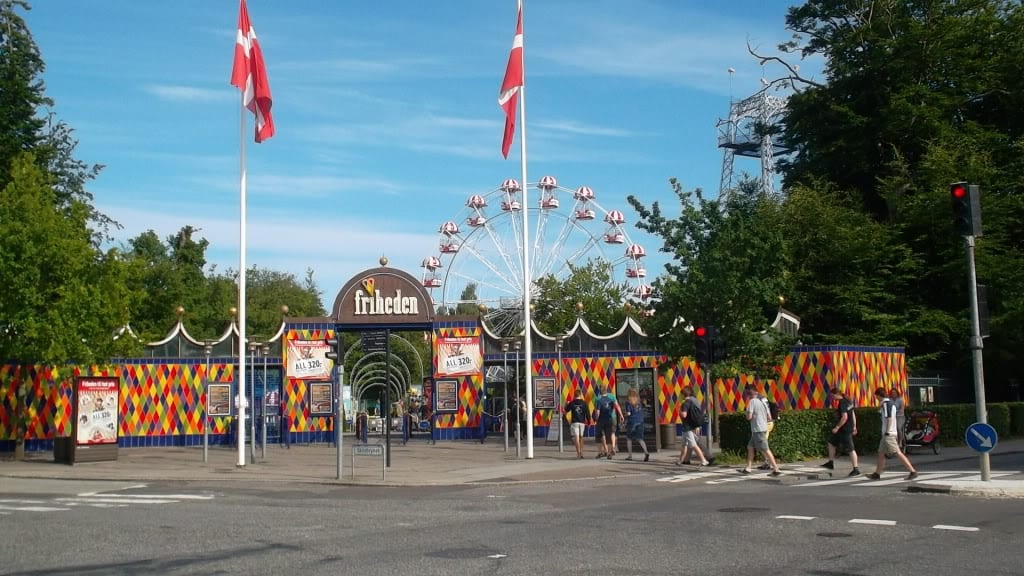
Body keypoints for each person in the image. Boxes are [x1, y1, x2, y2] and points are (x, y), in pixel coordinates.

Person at [868, 387, 918, 480]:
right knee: (881, 453)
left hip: (888, 434)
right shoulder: (891, 404)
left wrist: (887, 431)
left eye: (876, 396)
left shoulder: (886, 404)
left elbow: (889, 418)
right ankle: (877, 473)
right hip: (889, 433)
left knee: (897, 453)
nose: (876, 398)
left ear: (879, 395)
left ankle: (912, 471)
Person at [740, 387, 781, 476]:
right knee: (750, 447)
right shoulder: (762, 402)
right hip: (761, 428)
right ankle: (748, 468)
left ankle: (776, 469)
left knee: (765, 449)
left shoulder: (752, 402)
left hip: (758, 429)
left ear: (749, 395)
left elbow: (749, 417)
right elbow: (769, 416)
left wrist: (747, 414)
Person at [820, 387, 860, 476]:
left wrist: (837, 427)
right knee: (831, 443)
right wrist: (854, 426)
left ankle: (856, 469)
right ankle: (830, 462)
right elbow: (853, 414)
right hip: (847, 428)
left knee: (851, 449)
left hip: (845, 429)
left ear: (836, 394)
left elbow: (844, 417)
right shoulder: (848, 401)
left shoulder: (842, 403)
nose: (832, 398)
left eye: (832, 396)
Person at [676, 385, 710, 466]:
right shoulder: (693, 401)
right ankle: (681, 461)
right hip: (690, 426)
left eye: (681, 394)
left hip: (688, 427)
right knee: (684, 445)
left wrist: (679, 412)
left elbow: (684, 415)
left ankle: (703, 460)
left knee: (693, 444)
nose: (680, 396)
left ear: (684, 394)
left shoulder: (685, 403)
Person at [592, 384, 624, 460]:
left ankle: (601, 452)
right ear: (606, 390)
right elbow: (617, 406)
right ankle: (610, 451)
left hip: (601, 420)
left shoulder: (598, 399)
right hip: (611, 419)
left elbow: (597, 411)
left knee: (599, 436)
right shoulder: (612, 398)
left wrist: (596, 419)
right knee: (610, 435)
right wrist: (621, 415)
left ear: (600, 391)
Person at [623, 388, 650, 462]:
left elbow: (629, 413)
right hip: (640, 421)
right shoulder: (639, 401)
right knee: (640, 438)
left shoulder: (628, 402)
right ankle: (646, 452)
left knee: (629, 438)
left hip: (632, 422)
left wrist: (624, 414)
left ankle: (630, 455)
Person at [564, 388, 590, 458]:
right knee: (581, 437)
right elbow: (587, 413)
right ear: (580, 395)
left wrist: (566, 404)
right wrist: (589, 421)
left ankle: (578, 453)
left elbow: (565, 411)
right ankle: (581, 453)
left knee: (576, 438)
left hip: (574, 422)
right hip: (582, 422)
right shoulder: (584, 403)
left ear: (574, 395)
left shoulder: (572, 403)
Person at [889, 387, 906, 451]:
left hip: (900, 416)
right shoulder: (890, 400)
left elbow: (902, 409)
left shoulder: (900, 399)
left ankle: (900, 441)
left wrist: (896, 411)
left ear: (897, 393)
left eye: (894, 393)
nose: (893, 394)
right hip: (892, 417)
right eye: (892, 393)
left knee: (898, 428)